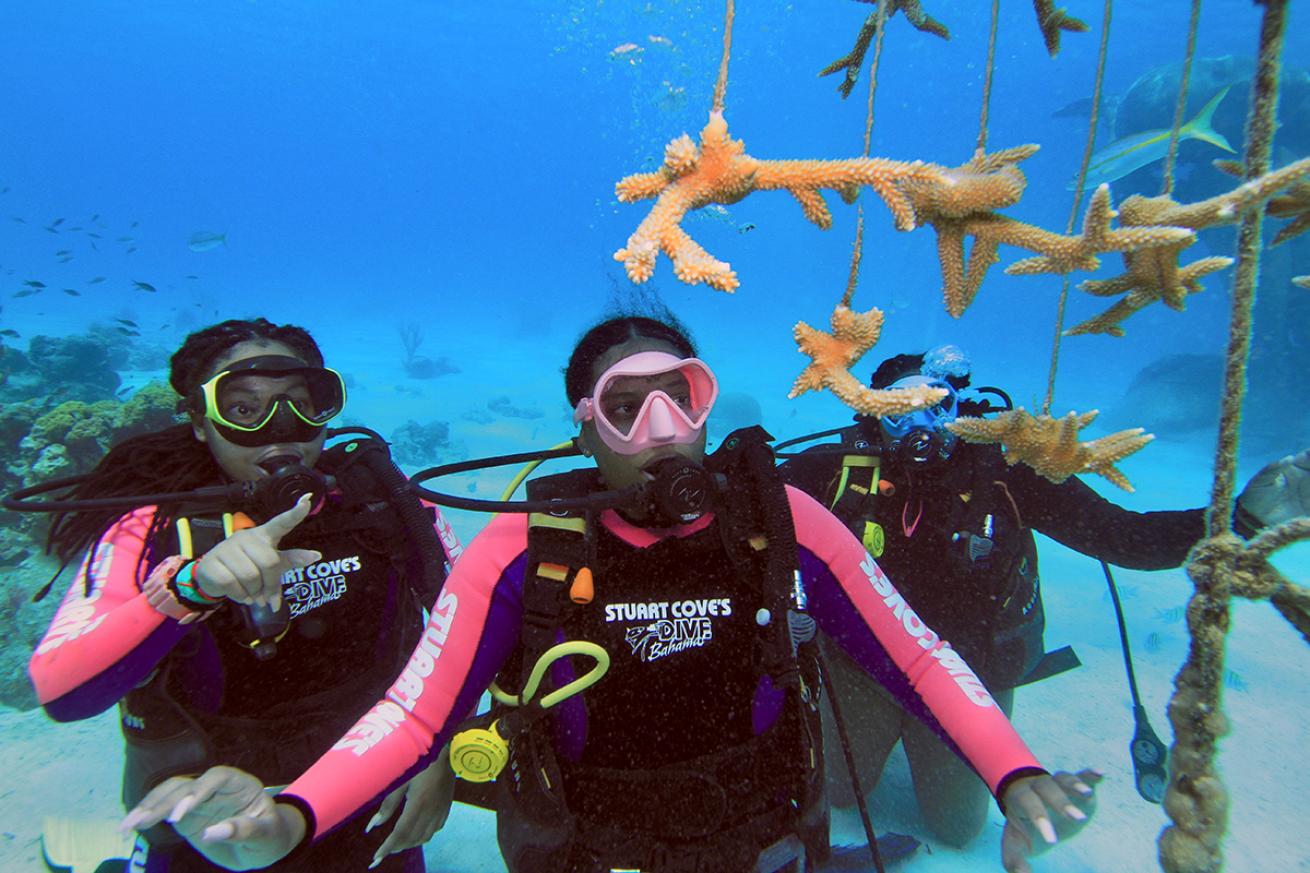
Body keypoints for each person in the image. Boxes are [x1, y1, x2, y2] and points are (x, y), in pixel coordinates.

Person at [122, 314, 1100, 873]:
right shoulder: (522, 543)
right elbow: (416, 710)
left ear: (709, 403)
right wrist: (294, 815)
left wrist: (1014, 776)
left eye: (683, 395)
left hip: (758, 830)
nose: (662, 429)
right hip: (585, 845)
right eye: (625, 409)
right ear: (583, 431)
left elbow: (918, 654)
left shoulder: (781, 520)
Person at [776, 344, 1310, 849]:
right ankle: (875, 730)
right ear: (871, 419)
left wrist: (1242, 519)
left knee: (956, 827)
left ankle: (921, 739)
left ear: (963, 408)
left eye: (936, 406)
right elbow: (753, 502)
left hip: (975, 668)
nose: (920, 427)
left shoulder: (1007, 473)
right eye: (899, 411)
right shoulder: (841, 470)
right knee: (842, 793)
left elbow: (1123, 537)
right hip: (865, 665)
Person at [26, 318, 464, 873]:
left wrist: (438, 755)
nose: (281, 430)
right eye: (243, 409)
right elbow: (63, 693)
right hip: (203, 817)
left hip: (371, 792)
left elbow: (471, 634)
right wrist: (190, 587)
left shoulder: (386, 506)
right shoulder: (152, 528)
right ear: (199, 422)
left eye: (302, 403)